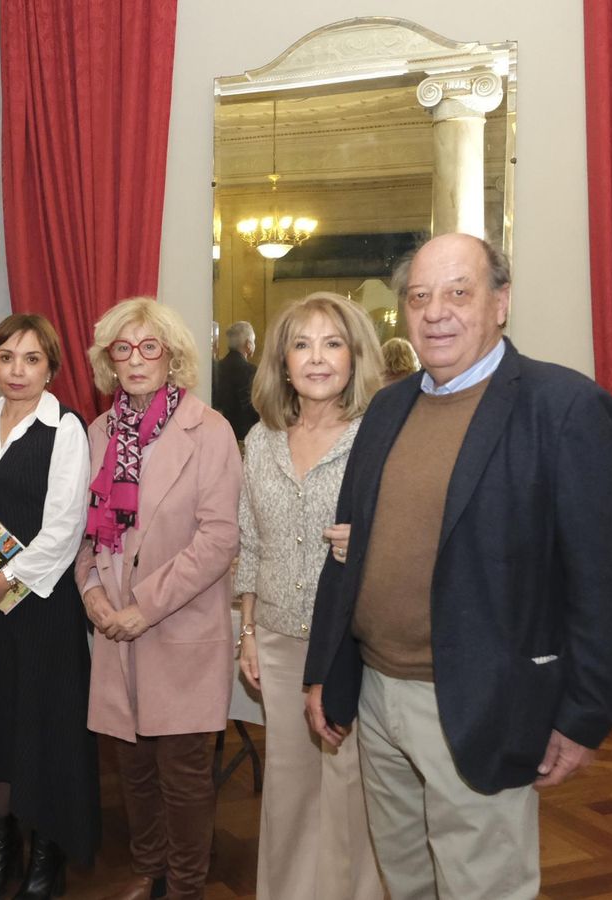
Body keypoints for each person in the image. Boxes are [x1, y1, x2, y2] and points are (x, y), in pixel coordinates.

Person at [304, 234, 612, 899]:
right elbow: (347, 552)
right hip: (378, 694)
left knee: (483, 887)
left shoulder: (564, 408)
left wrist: (583, 716)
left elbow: (606, 586)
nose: (436, 312)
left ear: (501, 302)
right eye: (419, 297)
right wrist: (326, 671)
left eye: (459, 292)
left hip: (483, 700)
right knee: (407, 880)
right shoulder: (388, 409)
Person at [76, 297, 241, 900]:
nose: (137, 359)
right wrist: (92, 594)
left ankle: (188, 886)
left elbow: (219, 539)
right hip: (114, 629)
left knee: (184, 774)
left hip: (180, 624)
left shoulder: (210, 430)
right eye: (124, 348)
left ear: (171, 357)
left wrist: (142, 608)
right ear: (110, 360)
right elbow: (83, 533)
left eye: (150, 347)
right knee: (134, 768)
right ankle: (150, 870)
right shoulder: (97, 433)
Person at [0, 314, 99, 900]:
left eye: (31, 359)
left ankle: (46, 856)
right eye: (6, 357)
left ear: (51, 367)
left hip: (43, 607)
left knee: (43, 728)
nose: (18, 370)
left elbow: (66, 526)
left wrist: (7, 578)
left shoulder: (66, 429)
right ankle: (2, 851)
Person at [234, 293, 383, 900]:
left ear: (354, 356)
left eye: (332, 343)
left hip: (350, 644)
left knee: (350, 793)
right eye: (302, 344)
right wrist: (247, 633)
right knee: (289, 791)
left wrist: (370, 540)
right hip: (275, 640)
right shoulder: (261, 440)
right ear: (283, 361)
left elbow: (410, 534)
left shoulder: (376, 438)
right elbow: (249, 540)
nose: (317, 358)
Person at [212, 320, 260, 441]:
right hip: (245, 436)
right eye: (253, 341)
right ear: (248, 344)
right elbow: (255, 408)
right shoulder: (251, 371)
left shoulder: (216, 368)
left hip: (219, 433)